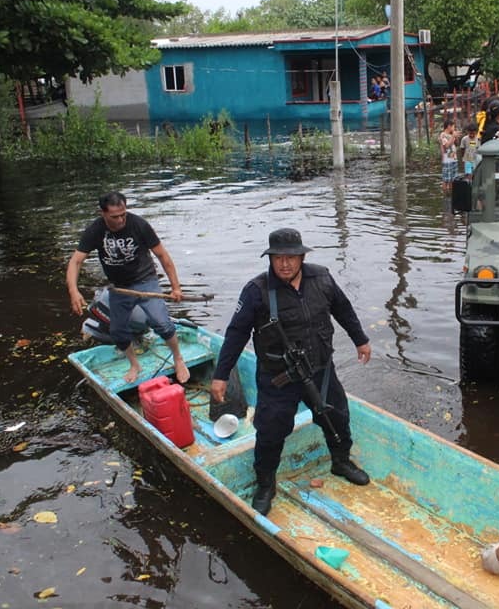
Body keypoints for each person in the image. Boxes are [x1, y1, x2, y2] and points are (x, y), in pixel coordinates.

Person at [210, 228, 372, 516]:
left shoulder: (321, 278)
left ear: (302, 256)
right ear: (270, 259)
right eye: (278, 258)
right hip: (277, 378)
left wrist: (361, 340)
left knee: (337, 416)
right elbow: (236, 334)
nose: (285, 264)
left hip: (321, 369)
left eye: (291, 257)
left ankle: (341, 461)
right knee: (271, 432)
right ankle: (265, 484)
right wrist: (221, 375)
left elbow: (343, 309)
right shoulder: (256, 291)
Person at [66, 191, 190, 384]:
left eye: (123, 214)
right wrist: (74, 291)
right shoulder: (95, 230)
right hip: (120, 288)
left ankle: (178, 358)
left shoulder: (139, 225)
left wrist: (176, 288)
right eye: (115, 216)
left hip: (146, 281)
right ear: (103, 213)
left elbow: (163, 257)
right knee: (117, 331)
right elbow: (75, 262)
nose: (121, 219)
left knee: (161, 322)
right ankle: (134, 364)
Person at [439, 119, 460, 193]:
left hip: (454, 159)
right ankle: (445, 195)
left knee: (453, 179)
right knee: (446, 179)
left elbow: (457, 144)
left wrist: (456, 137)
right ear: (449, 126)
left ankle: (451, 194)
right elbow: (447, 146)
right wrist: (453, 136)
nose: (454, 128)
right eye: (453, 126)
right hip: (447, 160)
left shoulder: (451, 134)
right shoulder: (443, 135)